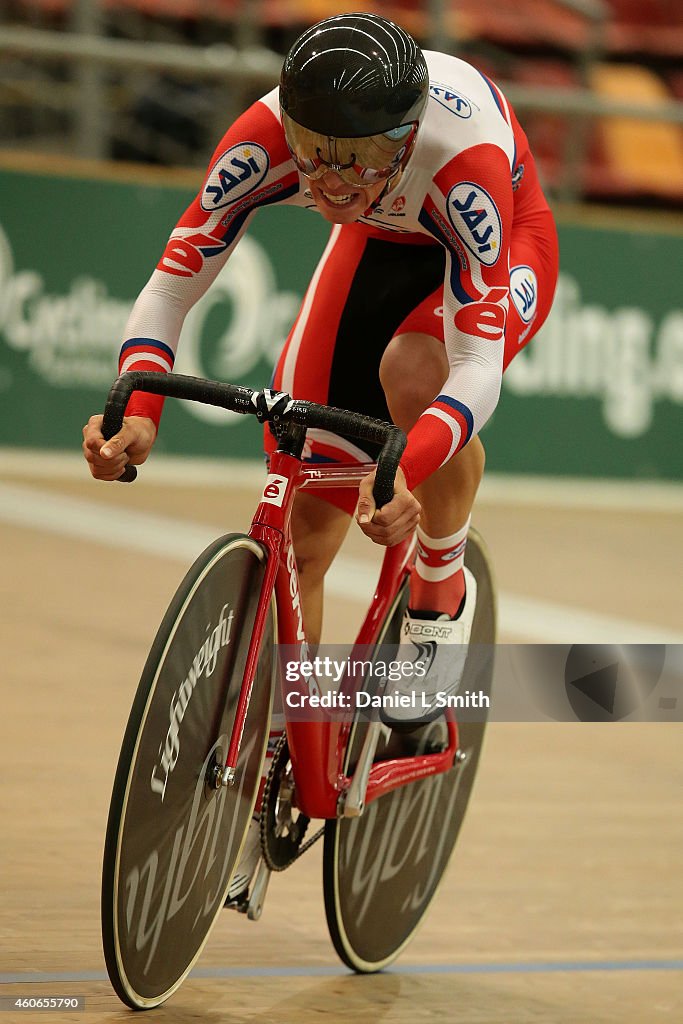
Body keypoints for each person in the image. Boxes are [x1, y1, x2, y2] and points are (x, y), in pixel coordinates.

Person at [83, 13, 558, 727]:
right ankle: (287, 735)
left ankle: (439, 584)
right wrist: (140, 410)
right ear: (290, 124)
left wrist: (408, 462)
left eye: (362, 155)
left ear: (405, 136)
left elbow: (475, 365)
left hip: (500, 242)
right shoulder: (264, 133)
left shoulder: (465, 165)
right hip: (374, 238)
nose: (334, 180)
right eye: (315, 152)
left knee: (413, 370)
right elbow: (173, 284)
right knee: (304, 518)